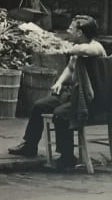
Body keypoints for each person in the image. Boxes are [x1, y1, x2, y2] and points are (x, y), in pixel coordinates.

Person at [8, 15, 106, 170]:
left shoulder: (96, 47)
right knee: (40, 106)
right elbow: (70, 68)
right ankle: (29, 145)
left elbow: (89, 50)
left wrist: (70, 48)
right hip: (73, 95)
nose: (68, 30)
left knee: (60, 114)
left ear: (80, 33)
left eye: (71, 28)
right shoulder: (78, 48)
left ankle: (67, 157)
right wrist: (59, 83)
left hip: (89, 101)